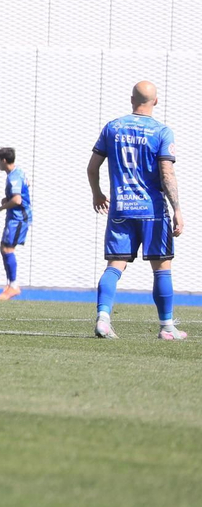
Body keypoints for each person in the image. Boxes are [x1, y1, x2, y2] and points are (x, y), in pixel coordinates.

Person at [87, 81, 185, 339]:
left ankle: (103, 319)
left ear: (132, 100)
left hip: (121, 209)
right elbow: (166, 172)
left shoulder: (113, 128)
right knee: (162, 268)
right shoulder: (162, 132)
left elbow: (92, 167)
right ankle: (166, 327)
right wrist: (177, 209)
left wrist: (97, 193)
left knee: (114, 266)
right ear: (156, 101)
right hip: (152, 211)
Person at [0, 147, 31, 300]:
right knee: (4, 247)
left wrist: (1, 207)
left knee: (8, 249)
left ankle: (13, 286)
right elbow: (26, 184)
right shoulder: (18, 172)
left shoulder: (13, 177)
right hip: (15, 217)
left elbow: (17, 200)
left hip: (18, 218)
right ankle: (10, 284)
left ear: (3, 160)